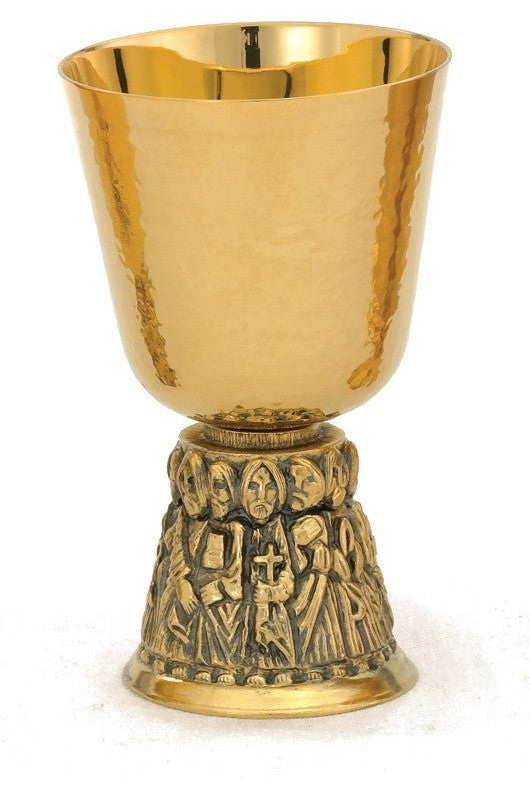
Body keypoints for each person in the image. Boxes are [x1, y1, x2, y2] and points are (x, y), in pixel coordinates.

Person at [241, 458, 296, 674]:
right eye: (253, 487)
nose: (261, 497)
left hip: (273, 609)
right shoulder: (236, 528)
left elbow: (289, 571)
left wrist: (273, 592)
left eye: (270, 488)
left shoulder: (279, 528)